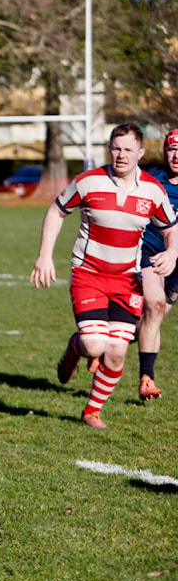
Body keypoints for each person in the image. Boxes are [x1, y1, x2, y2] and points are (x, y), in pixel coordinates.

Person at [31, 122, 178, 430]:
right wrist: (45, 255)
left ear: (140, 152)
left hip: (127, 281)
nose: (121, 155)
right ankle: (76, 347)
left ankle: (91, 412)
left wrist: (172, 253)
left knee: (116, 353)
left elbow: (170, 228)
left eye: (127, 149)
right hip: (90, 275)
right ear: (109, 150)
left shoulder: (153, 190)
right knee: (95, 345)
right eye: (116, 148)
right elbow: (57, 211)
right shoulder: (88, 182)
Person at [136, 129, 178, 401]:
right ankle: (146, 379)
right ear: (165, 151)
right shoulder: (151, 179)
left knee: (155, 317)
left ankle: (105, 342)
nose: (177, 156)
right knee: (154, 306)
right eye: (173, 149)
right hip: (151, 252)